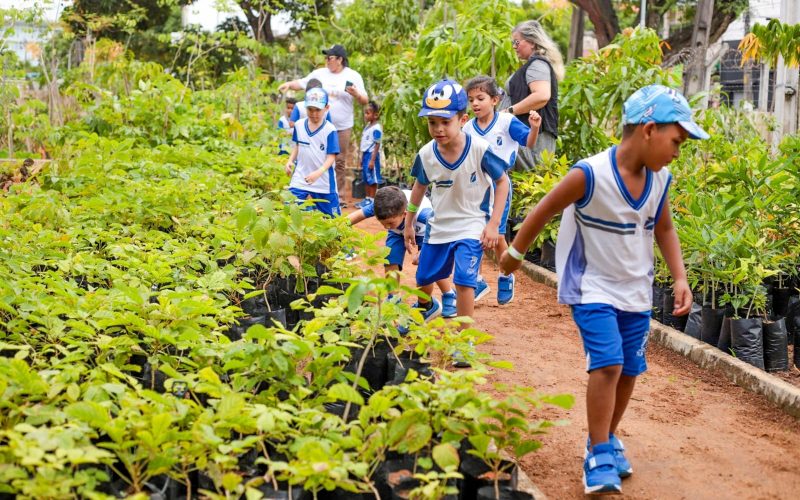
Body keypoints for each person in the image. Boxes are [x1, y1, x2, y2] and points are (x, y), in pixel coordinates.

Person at [499, 85, 708, 495]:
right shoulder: (590, 174)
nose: (677, 152)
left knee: (629, 369)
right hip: (591, 286)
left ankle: (607, 438)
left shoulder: (660, 180)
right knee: (609, 363)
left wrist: (680, 278)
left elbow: (665, 228)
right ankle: (596, 452)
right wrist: (515, 254)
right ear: (649, 129)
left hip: (636, 291)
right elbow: (545, 208)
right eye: (676, 141)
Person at [404, 79, 509, 327]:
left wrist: (494, 224)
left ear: (462, 120)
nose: (438, 129)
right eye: (432, 122)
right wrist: (409, 223)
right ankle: (427, 306)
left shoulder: (479, 149)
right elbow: (419, 187)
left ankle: (464, 338)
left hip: (472, 223)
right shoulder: (426, 154)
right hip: (439, 225)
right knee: (424, 277)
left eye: (445, 122)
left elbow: (502, 182)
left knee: (464, 280)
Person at [463, 75, 541, 305]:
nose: (475, 103)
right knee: (473, 231)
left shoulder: (506, 122)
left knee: (496, 236)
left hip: (499, 185)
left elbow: (528, 142)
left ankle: (505, 275)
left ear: (495, 100)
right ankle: (475, 281)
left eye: (480, 98)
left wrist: (535, 128)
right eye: (471, 100)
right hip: (475, 185)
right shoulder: (468, 128)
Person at [279, 45, 369, 205]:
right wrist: (288, 84)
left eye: (330, 58)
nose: (326, 60)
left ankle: (338, 196)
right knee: (317, 157)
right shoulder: (320, 74)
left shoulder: (353, 75)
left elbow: (364, 100)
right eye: (326, 57)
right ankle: (313, 194)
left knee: (339, 160)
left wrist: (356, 94)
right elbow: (301, 83)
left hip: (342, 125)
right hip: (318, 124)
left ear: (340, 59)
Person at [348, 186, 456, 318]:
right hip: (397, 232)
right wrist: (337, 226)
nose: (386, 227)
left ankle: (448, 296)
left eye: (389, 223)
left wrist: (423, 252)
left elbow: (441, 228)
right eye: (382, 223)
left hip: (426, 232)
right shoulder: (383, 207)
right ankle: (393, 299)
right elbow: (356, 216)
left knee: (429, 266)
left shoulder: (424, 215)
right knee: (390, 258)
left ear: (404, 214)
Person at [500, 20, 564, 170]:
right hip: (527, 135)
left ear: (532, 42)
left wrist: (509, 111)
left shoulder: (538, 64)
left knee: (531, 177)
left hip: (534, 138)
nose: (514, 47)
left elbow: (541, 96)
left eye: (517, 42)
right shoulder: (533, 64)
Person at [284, 88, 341, 216]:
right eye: (310, 109)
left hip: (324, 182)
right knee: (290, 211)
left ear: (326, 108)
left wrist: (318, 173)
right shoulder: (299, 125)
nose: (314, 113)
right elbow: (298, 145)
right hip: (300, 178)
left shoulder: (330, 130)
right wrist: (290, 161)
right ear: (305, 107)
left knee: (333, 220)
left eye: (317, 110)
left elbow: (331, 157)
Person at [356, 101, 383, 208]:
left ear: (375, 115)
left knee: (372, 178)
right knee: (366, 177)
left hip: (372, 155)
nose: (365, 115)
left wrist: (372, 160)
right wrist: (362, 158)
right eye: (365, 113)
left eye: (368, 113)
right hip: (366, 154)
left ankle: (372, 200)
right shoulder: (368, 126)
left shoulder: (377, 128)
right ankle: (367, 198)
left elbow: (377, 144)